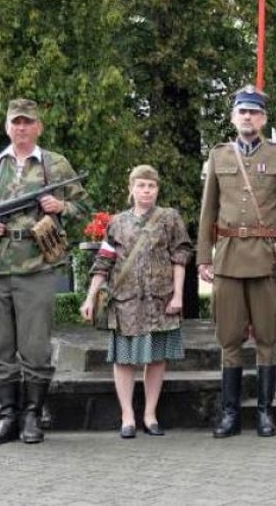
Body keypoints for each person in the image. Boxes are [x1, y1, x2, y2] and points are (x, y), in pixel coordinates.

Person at [0, 98, 89, 445]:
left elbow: (84, 207)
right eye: (16, 122)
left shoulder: (55, 166)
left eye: (28, 122)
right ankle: (7, 417)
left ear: (38, 127)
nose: (21, 128)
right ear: (7, 127)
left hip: (36, 264)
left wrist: (61, 206)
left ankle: (32, 415)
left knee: (35, 346)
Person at [197, 85, 276, 438]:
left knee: (267, 337)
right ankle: (230, 415)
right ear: (233, 117)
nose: (248, 117)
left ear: (263, 118)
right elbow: (207, 209)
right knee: (229, 338)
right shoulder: (218, 155)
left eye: (254, 112)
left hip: (264, 258)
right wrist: (202, 257)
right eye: (242, 111)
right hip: (226, 258)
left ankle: (265, 413)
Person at [80, 165, 192, 438]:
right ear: (131, 189)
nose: (146, 191)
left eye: (151, 186)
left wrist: (178, 295)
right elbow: (104, 262)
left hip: (159, 300)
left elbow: (180, 256)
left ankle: (150, 415)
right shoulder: (117, 222)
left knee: (156, 359)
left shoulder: (169, 218)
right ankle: (127, 416)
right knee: (124, 360)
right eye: (141, 185)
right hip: (126, 302)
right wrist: (90, 297)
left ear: (157, 189)